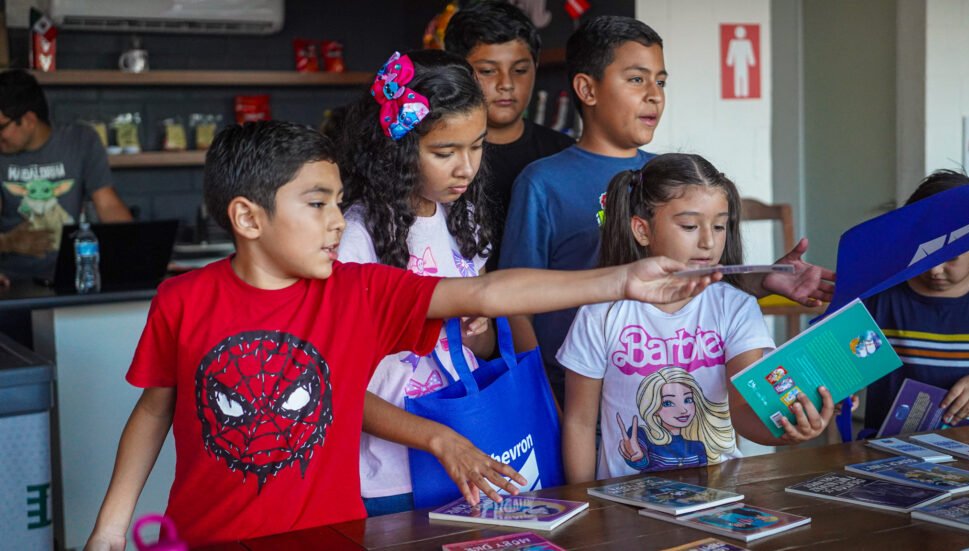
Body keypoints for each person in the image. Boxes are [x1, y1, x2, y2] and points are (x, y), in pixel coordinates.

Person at [84, 119, 719, 549]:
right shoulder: (182, 299)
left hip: (334, 536)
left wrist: (621, 280)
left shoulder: (358, 292)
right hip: (204, 536)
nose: (338, 221)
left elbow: (489, 293)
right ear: (248, 218)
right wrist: (112, 525)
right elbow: (156, 408)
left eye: (339, 202)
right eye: (317, 204)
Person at [498, 16, 834, 403]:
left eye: (661, 82)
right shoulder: (543, 182)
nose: (654, 95)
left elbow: (693, 284)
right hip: (573, 396)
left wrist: (762, 280)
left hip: (665, 394)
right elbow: (514, 307)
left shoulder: (669, 176)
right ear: (587, 89)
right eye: (636, 79)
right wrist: (540, 398)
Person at [558, 153, 836, 483]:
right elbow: (579, 423)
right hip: (623, 499)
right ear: (642, 230)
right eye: (690, 226)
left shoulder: (736, 308)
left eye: (719, 226)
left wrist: (788, 431)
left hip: (717, 498)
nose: (708, 241)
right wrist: (587, 504)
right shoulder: (600, 313)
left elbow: (743, 411)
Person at [337, 49, 497, 515]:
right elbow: (339, 387)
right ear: (398, 151)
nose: (466, 167)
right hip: (390, 476)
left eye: (477, 146)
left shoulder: (465, 218)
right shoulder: (356, 238)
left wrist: (480, 327)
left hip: (469, 451)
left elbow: (482, 348)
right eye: (445, 152)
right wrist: (437, 439)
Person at [443, 0, 575, 269]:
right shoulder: (440, 159)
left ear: (536, 66)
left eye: (520, 70)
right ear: (457, 71)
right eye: (488, 71)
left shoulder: (565, 154)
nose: (506, 84)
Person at [862, 169, 969, 433]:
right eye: (925, 254)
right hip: (888, 447)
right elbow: (838, 368)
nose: (935, 269)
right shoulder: (879, 298)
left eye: (950, 257)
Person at [0, 69, 132, 280]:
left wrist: (140, 253)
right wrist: (7, 242)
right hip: (9, 282)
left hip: (68, 277)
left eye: (1, 127)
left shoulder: (81, 141)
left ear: (29, 120)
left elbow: (108, 205)